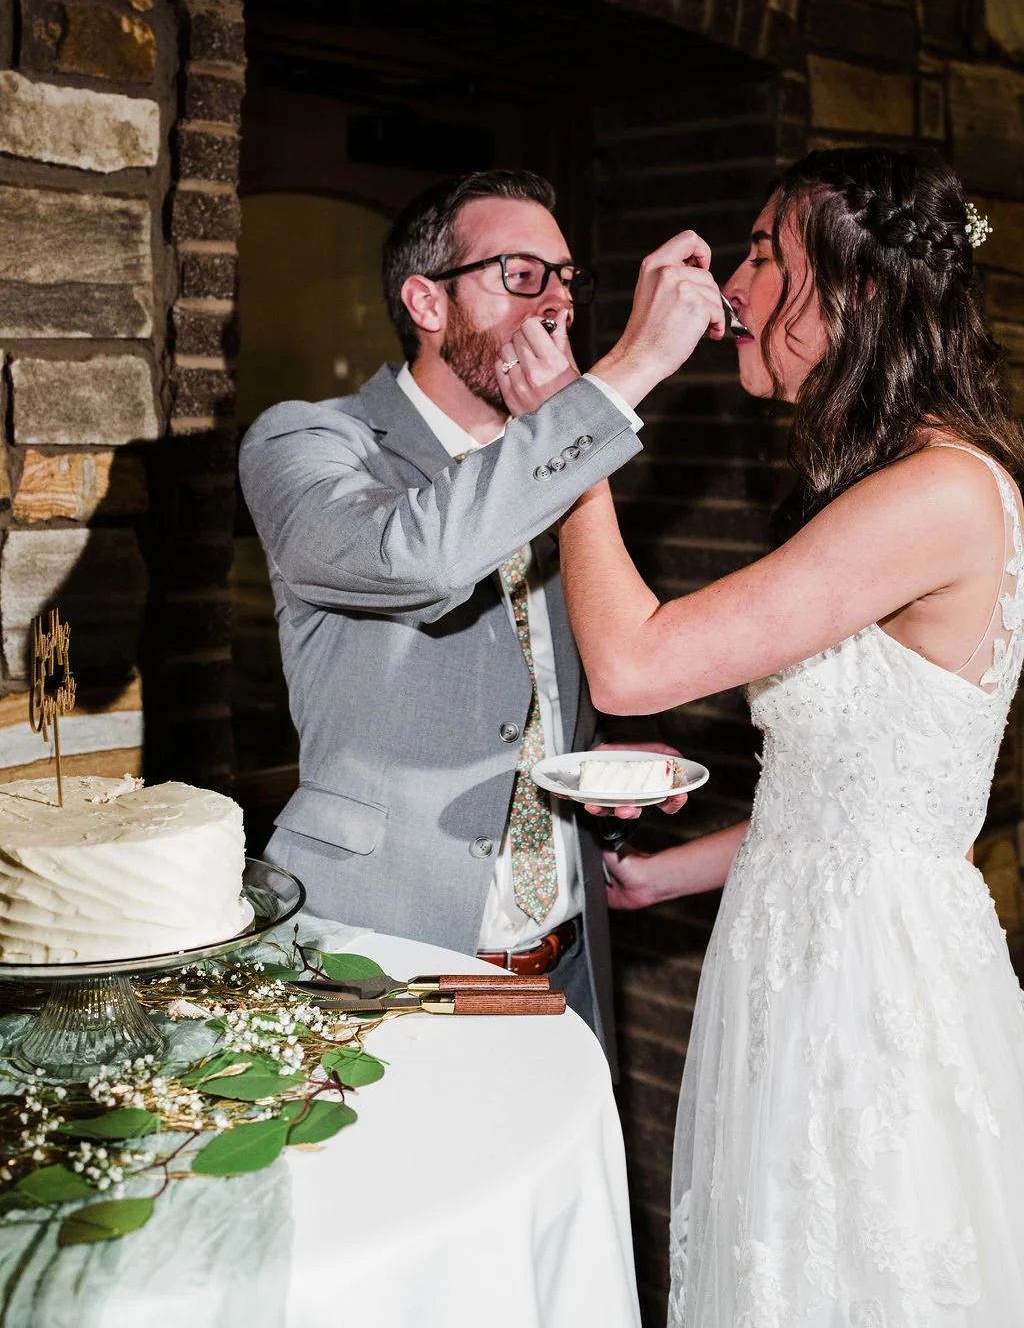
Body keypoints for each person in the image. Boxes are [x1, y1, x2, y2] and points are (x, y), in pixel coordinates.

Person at [499, 146, 1024, 1324]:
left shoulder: (938, 491)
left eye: (763, 255)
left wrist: (567, 432)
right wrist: (652, 876)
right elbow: (854, 800)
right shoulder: (891, 481)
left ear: (861, 296)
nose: (732, 287)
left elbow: (630, 660)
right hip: (804, 955)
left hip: (869, 997)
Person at [238, 169, 684, 1064]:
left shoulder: (563, 460)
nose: (558, 306)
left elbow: (547, 685)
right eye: (523, 275)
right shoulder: (308, 440)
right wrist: (626, 371)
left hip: (567, 964)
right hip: (380, 957)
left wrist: (599, 764)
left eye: (566, 280)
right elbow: (420, 556)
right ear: (425, 301)